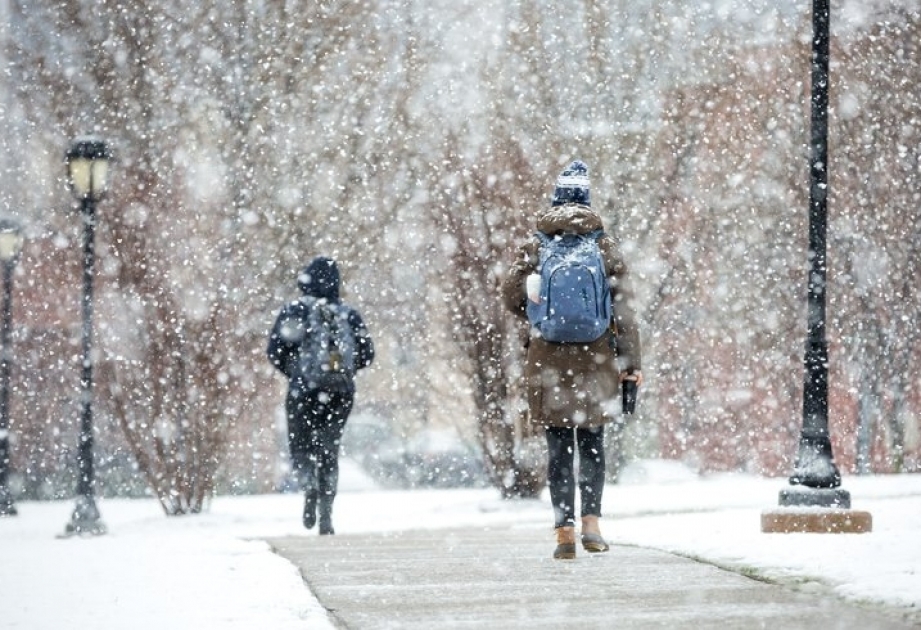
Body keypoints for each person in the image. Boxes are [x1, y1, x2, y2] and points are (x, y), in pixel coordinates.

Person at [501, 160, 642, 559]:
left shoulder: (537, 244)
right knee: (593, 444)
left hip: (547, 359)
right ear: (587, 199)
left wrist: (536, 312)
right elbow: (625, 310)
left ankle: (563, 530)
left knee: (558, 447)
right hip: (596, 357)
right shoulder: (603, 245)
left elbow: (510, 295)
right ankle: (592, 525)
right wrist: (631, 362)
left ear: (556, 198)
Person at [267, 256, 375, 535]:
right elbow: (367, 354)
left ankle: (308, 485)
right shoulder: (348, 314)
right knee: (329, 450)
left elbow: (275, 351)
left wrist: (296, 372)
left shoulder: (295, 310)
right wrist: (339, 373)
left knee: (300, 447)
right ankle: (326, 513)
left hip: (303, 391)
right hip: (340, 392)